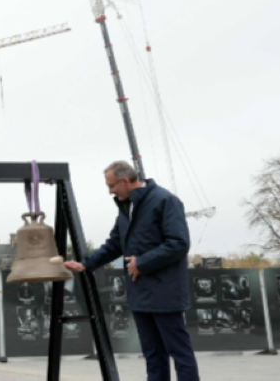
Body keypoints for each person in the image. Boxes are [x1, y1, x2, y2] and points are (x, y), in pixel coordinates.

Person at [64, 161, 199, 381]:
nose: (110, 192)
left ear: (125, 181)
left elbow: (179, 243)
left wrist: (141, 263)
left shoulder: (166, 201)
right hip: (140, 294)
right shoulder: (126, 210)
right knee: (153, 354)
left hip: (165, 292)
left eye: (112, 186)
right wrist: (86, 264)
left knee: (179, 353)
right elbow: (114, 244)